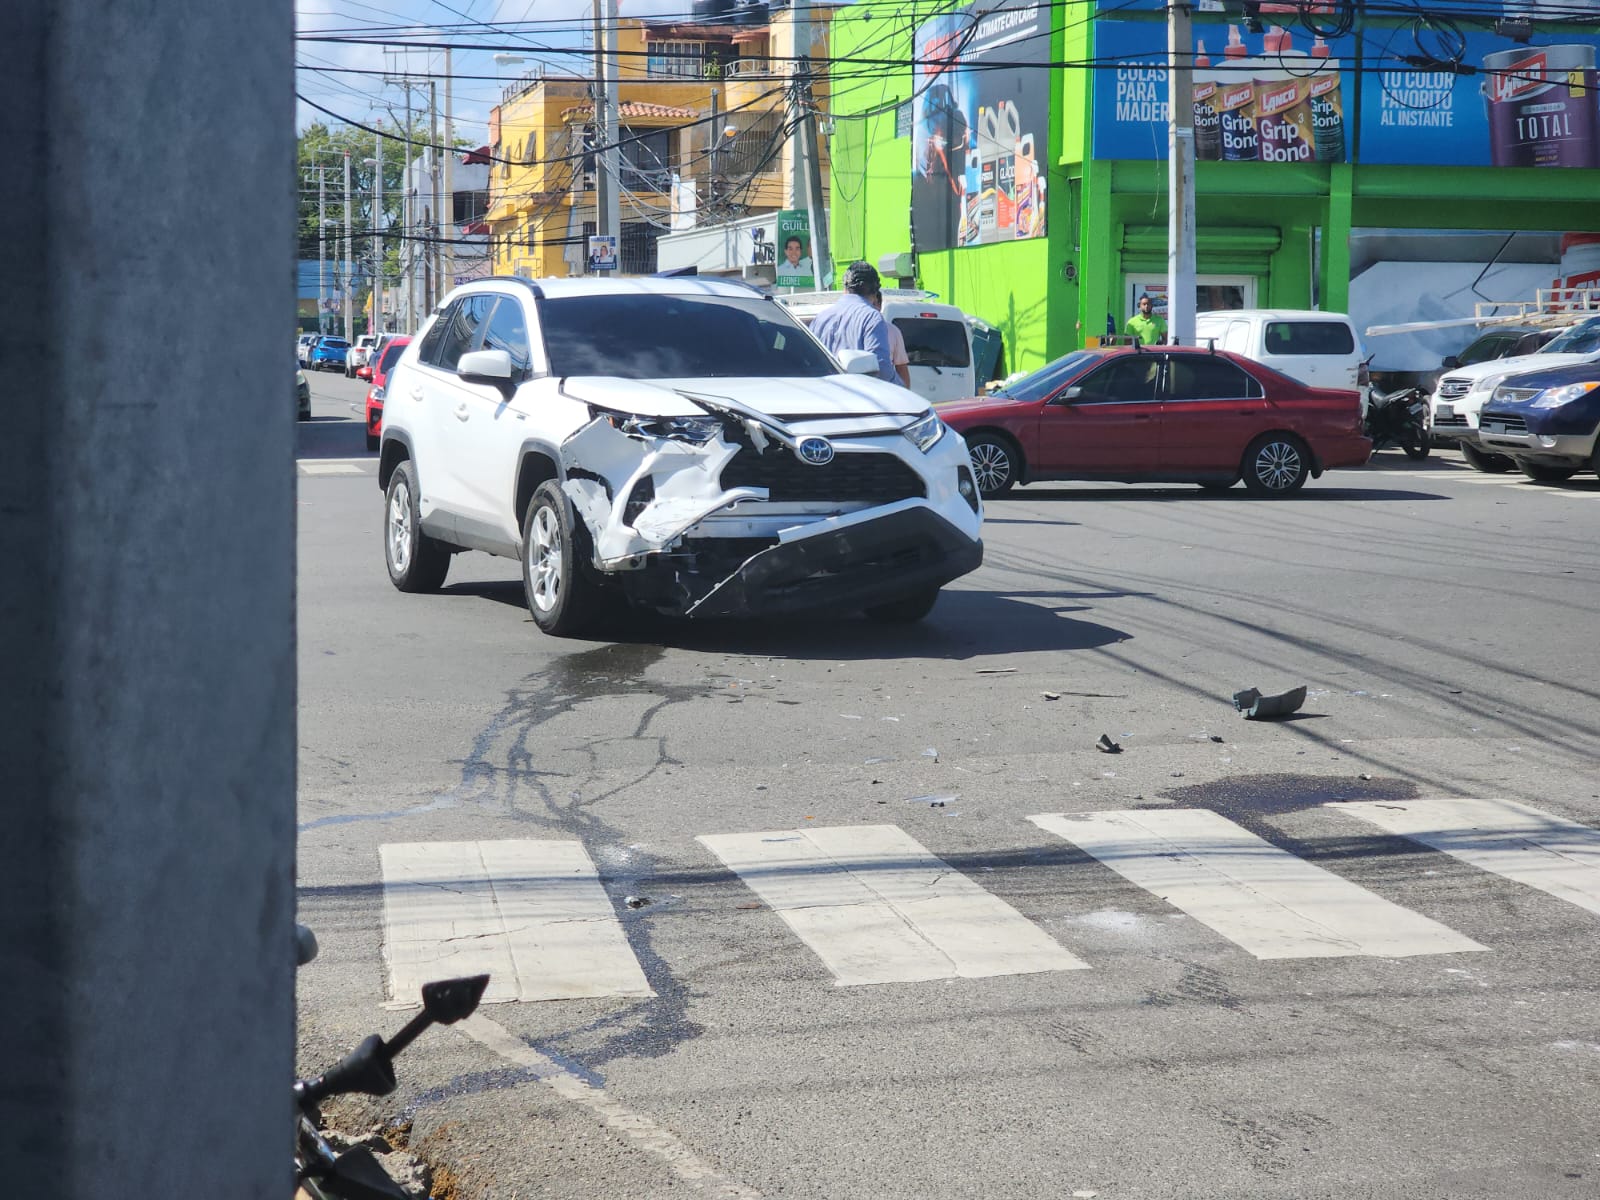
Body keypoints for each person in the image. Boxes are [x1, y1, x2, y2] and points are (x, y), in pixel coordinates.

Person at [809, 261, 897, 383]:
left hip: (824, 393)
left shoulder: (821, 317)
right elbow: (881, 369)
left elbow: (809, 361)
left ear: (845, 288)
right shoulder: (871, 317)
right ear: (875, 292)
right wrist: (901, 386)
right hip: (858, 395)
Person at [871, 289, 912, 387]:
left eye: (873, 304)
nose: (869, 308)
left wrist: (905, 395)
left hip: (885, 391)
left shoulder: (893, 331)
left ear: (879, 306)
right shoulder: (849, 327)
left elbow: (901, 367)